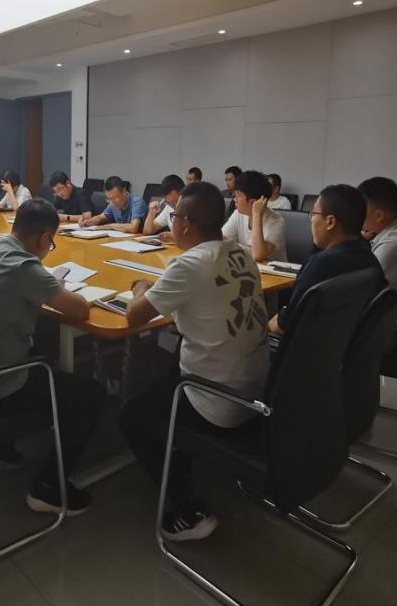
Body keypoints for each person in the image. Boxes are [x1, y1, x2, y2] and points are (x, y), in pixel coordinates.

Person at [121, 181, 270, 541]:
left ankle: (188, 509)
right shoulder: (239, 253)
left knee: (132, 417)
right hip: (257, 388)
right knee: (164, 358)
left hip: (217, 398)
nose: (171, 222)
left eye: (174, 217)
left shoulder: (189, 264)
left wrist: (141, 288)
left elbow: (133, 316)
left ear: (185, 224)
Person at [0, 199, 105, 515]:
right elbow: (80, 309)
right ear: (44, 237)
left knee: (40, 348)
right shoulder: (25, 268)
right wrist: (53, 286)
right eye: (51, 242)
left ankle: (2, 448)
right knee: (90, 394)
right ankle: (49, 487)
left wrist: (47, 285)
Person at [269, 184, 383, 335]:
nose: (311, 220)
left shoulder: (320, 264)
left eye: (313, 214)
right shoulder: (370, 258)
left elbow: (286, 324)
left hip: (309, 345)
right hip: (347, 343)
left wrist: (268, 324)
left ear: (330, 222)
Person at [222, 170, 287, 262]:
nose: (234, 199)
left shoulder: (276, 221)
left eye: (238, 195)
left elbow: (258, 255)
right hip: (248, 266)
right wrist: (247, 249)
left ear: (252, 202)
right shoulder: (238, 214)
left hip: (273, 270)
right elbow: (220, 240)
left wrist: (256, 215)